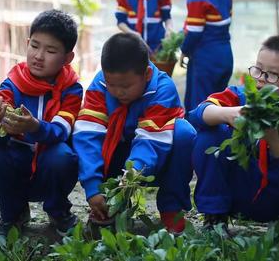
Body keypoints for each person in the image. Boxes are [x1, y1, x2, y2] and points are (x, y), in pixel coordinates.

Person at [190, 35, 279, 228]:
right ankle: (215, 217)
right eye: (258, 70)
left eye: (272, 75)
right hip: (236, 194)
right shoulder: (239, 96)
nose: (260, 80)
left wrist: (273, 137)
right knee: (210, 133)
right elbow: (196, 115)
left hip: (275, 200)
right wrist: (228, 114)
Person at [73, 33, 196, 234]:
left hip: (155, 158)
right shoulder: (100, 85)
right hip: (117, 155)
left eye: (125, 86)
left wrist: (131, 176)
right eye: (111, 84)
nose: (117, 92)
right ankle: (108, 202)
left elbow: (151, 141)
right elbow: (88, 134)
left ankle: (171, 207)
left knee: (183, 133)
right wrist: (93, 186)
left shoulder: (162, 89)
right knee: (88, 135)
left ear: (147, 75)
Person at [0, 10, 83, 237]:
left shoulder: (71, 88)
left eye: (51, 50)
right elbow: (0, 137)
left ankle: (58, 211)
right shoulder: (11, 84)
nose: (39, 55)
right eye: (34, 46)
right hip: (17, 159)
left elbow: (61, 131)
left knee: (63, 156)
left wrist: (35, 127)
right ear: (27, 43)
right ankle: (13, 215)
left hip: (49, 161)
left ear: (67, 58)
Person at [177, 0, 233, 111]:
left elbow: (195, 32)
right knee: (219, 104)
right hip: (225, 55)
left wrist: (184, 51)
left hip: (205, 59)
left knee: (200, 108)